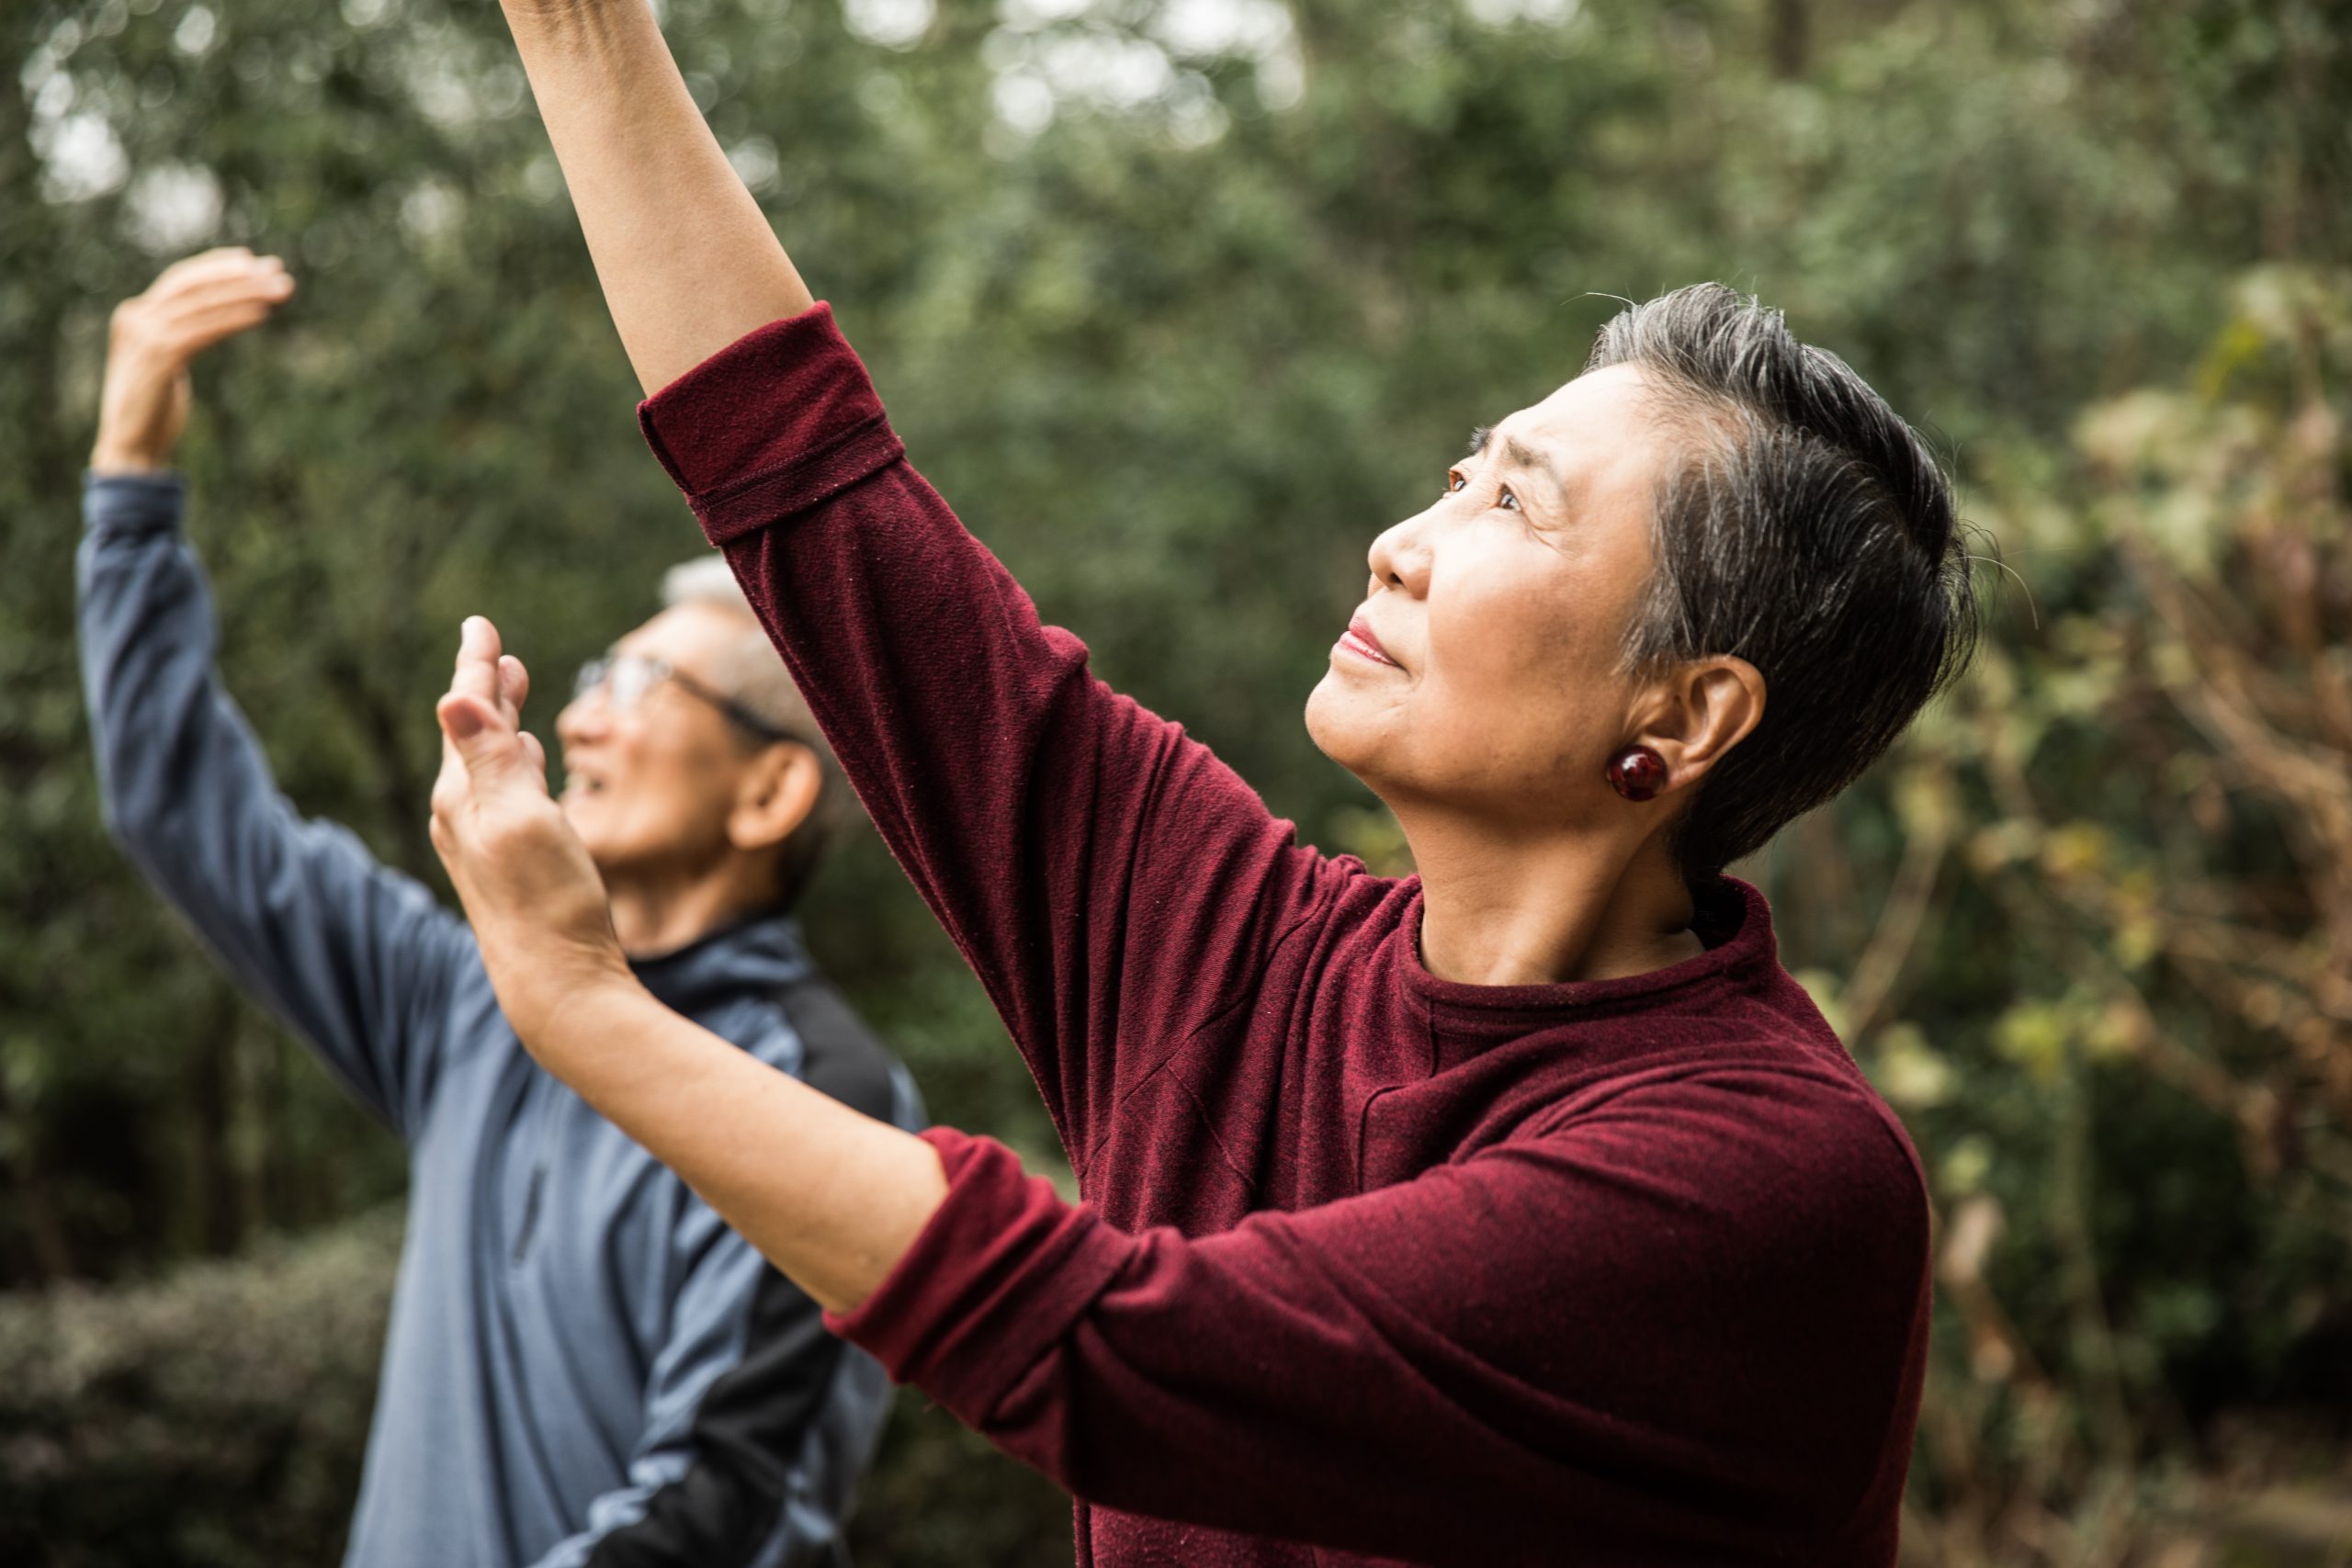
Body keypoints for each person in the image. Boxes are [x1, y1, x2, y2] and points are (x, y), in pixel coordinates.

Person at [421, 6, 1982, 1563]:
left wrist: (583, 1005)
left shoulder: (1769, 1182)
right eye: (1458, 472)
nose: (1406, 541)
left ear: (1691, 710)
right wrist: (584, 35)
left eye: (1516, 502)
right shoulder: (1239, 957)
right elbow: (814, 490)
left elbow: (1111, 1351)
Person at [76, 249, 922, 1568]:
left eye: (641, 690)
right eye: (592, 675)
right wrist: (130, 488)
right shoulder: (471, 1001)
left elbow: (715, 1508)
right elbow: (186, 814)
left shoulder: (824, 1099)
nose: (580, 715)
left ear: (769, 794)